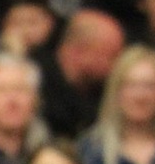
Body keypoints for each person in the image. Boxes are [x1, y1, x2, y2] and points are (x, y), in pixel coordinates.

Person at [39, 9, 125, 141]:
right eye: (112, 56)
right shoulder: (36, 83)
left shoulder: (105, 92)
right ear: (79, 51)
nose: (118, 66)